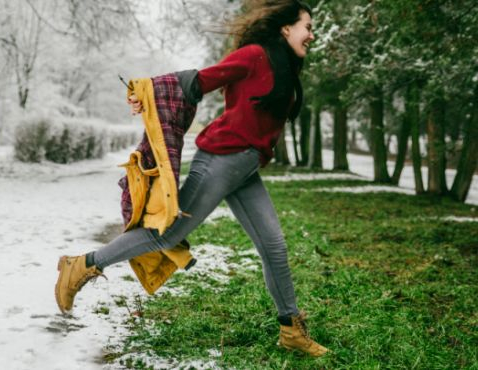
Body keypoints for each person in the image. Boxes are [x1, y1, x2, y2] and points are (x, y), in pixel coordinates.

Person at [55, 0, 329, 357]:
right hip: (222, 157)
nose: (312, 34)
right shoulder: (254, 56)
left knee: (273, 246)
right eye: (307, 26)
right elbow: (200, 81)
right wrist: (146, 93)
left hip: (244, 167)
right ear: (285, 28)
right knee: (169, 232)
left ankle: (291, 329)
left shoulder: (284, 66)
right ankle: (82, 265)